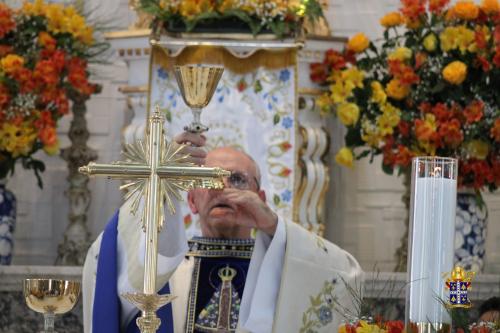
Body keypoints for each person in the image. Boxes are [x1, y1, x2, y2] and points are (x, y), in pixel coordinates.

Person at [82, 132, 363, 333]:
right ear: (191, 201)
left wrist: (274, 226)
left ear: (260, 197)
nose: (222, 187)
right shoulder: (165, 268)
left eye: (237, 179)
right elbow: (106, 261)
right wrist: (158, 184)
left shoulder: (282, 263)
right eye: (208, 178)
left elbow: (346, 277)